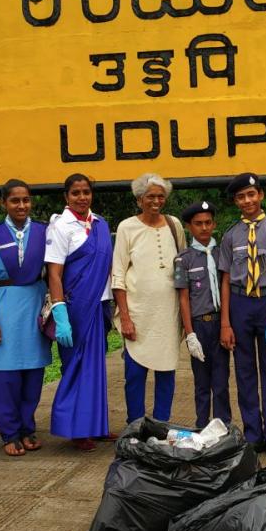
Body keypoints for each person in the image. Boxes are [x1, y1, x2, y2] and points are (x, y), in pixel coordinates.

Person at [0, 179, 51, 457]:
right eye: (15, 200)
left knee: (33, 372)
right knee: (4, 375)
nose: (22, 205)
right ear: (5, 203)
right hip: (3, 307)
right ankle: (9, 432)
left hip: (33, 306)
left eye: (26, 200)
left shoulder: (44, 231)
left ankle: (26, 428)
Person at [218, 172, 266, 458]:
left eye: (251, 194)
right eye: (240, 197)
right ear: (236, 201)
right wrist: (225, 321)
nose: (247, 201)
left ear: (260, 195)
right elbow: (225, 279)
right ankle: (252, 435)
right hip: (240, 304)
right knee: (245, 372)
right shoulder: (230, 234)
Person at [45, 173, 113, 450]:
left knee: (96, 368)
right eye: (76, 193)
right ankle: (73, 428)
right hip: (74, 308)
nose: (82, 197)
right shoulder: (61, 227)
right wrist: (60, 314)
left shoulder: (100, 224)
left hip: (99, 304)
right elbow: (54, 273)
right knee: (76, 367)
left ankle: (96, 426)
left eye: (86, 192)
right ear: (66, 196)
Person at [112, 173, 184, 423]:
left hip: (168, 314)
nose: (156, 201)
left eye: (160, 196)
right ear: (139, 199)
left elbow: (182, 270)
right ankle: (135, 428)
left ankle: (161, 426)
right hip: (138, 313)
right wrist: (126, 317)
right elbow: (118, 276)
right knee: (134, 374)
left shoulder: (175, 224)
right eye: (150, 196)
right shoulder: (126, 227)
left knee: (166, 373)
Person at [174, 200, 232, 428]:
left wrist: (228, 324)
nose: (204, 228)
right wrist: (190, 334)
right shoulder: (184, 259)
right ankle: (201, 425)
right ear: (189, 226)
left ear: (214, 224)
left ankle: (222, 426)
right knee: (201, 382)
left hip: (220, 323)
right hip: (200, 325)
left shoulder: (222, 254)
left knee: (221, 380)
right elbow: (183, 298)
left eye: (208, 223)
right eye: (198, 224)